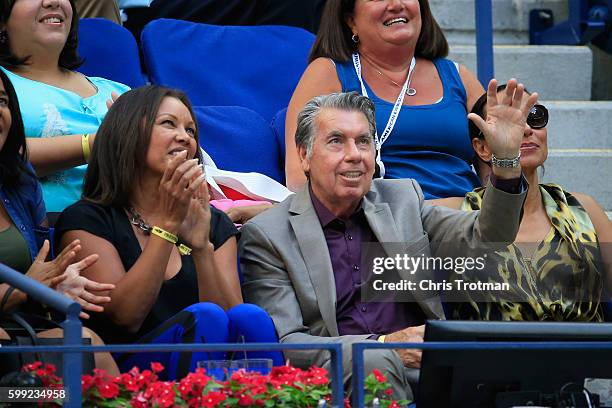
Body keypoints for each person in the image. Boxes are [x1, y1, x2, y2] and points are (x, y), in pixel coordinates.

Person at [239, 81, 536, 399]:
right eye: (337, 142)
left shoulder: (403, 199)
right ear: (304, 156)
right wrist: (385, 346)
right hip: (340, 380)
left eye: (363, 141)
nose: (354, 155)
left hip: (429, 370)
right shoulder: (269, 235)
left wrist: (505, 162)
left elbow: (490, 239)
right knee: (376, 362)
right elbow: (290, 343)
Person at [54, 85, 282, 379]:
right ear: (127, 133)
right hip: (127, 372)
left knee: (249, 317)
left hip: (210, 366)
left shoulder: (212, 223)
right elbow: (126, 318)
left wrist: (201, 248)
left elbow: (232, 326)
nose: (184, 137)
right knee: (204, 316)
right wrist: (166, 227)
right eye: (168, 124)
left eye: (190, 130)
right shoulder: (87, 219)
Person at [431, 85, 612, 322]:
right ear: (482, 148)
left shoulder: (584, 210)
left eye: (534, 117)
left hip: (583, 355)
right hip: (491, 356)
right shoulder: (454, 214)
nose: (526, 129)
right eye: (506, 122)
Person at [284, 0, 483, 198]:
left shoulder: (459, 77)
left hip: (468, 220)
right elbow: (299, 177)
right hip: (377, 220)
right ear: (351, 20)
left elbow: (497, 175)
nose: (396, 4)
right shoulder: (328, 72)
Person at [0, 67, 118, 376]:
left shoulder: (19, 181)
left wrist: (55, 284)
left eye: (1, 101)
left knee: (91, 351)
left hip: (18, 334)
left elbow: (39, 271)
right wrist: (27, 288)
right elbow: (31, 281)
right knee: (36, 393)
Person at [0, 0, 130, 212]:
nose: (53, 2)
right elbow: (6, 153)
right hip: (45, 232)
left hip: (134, 229)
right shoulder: (2, 82)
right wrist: (96, 144)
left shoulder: (119, 90)